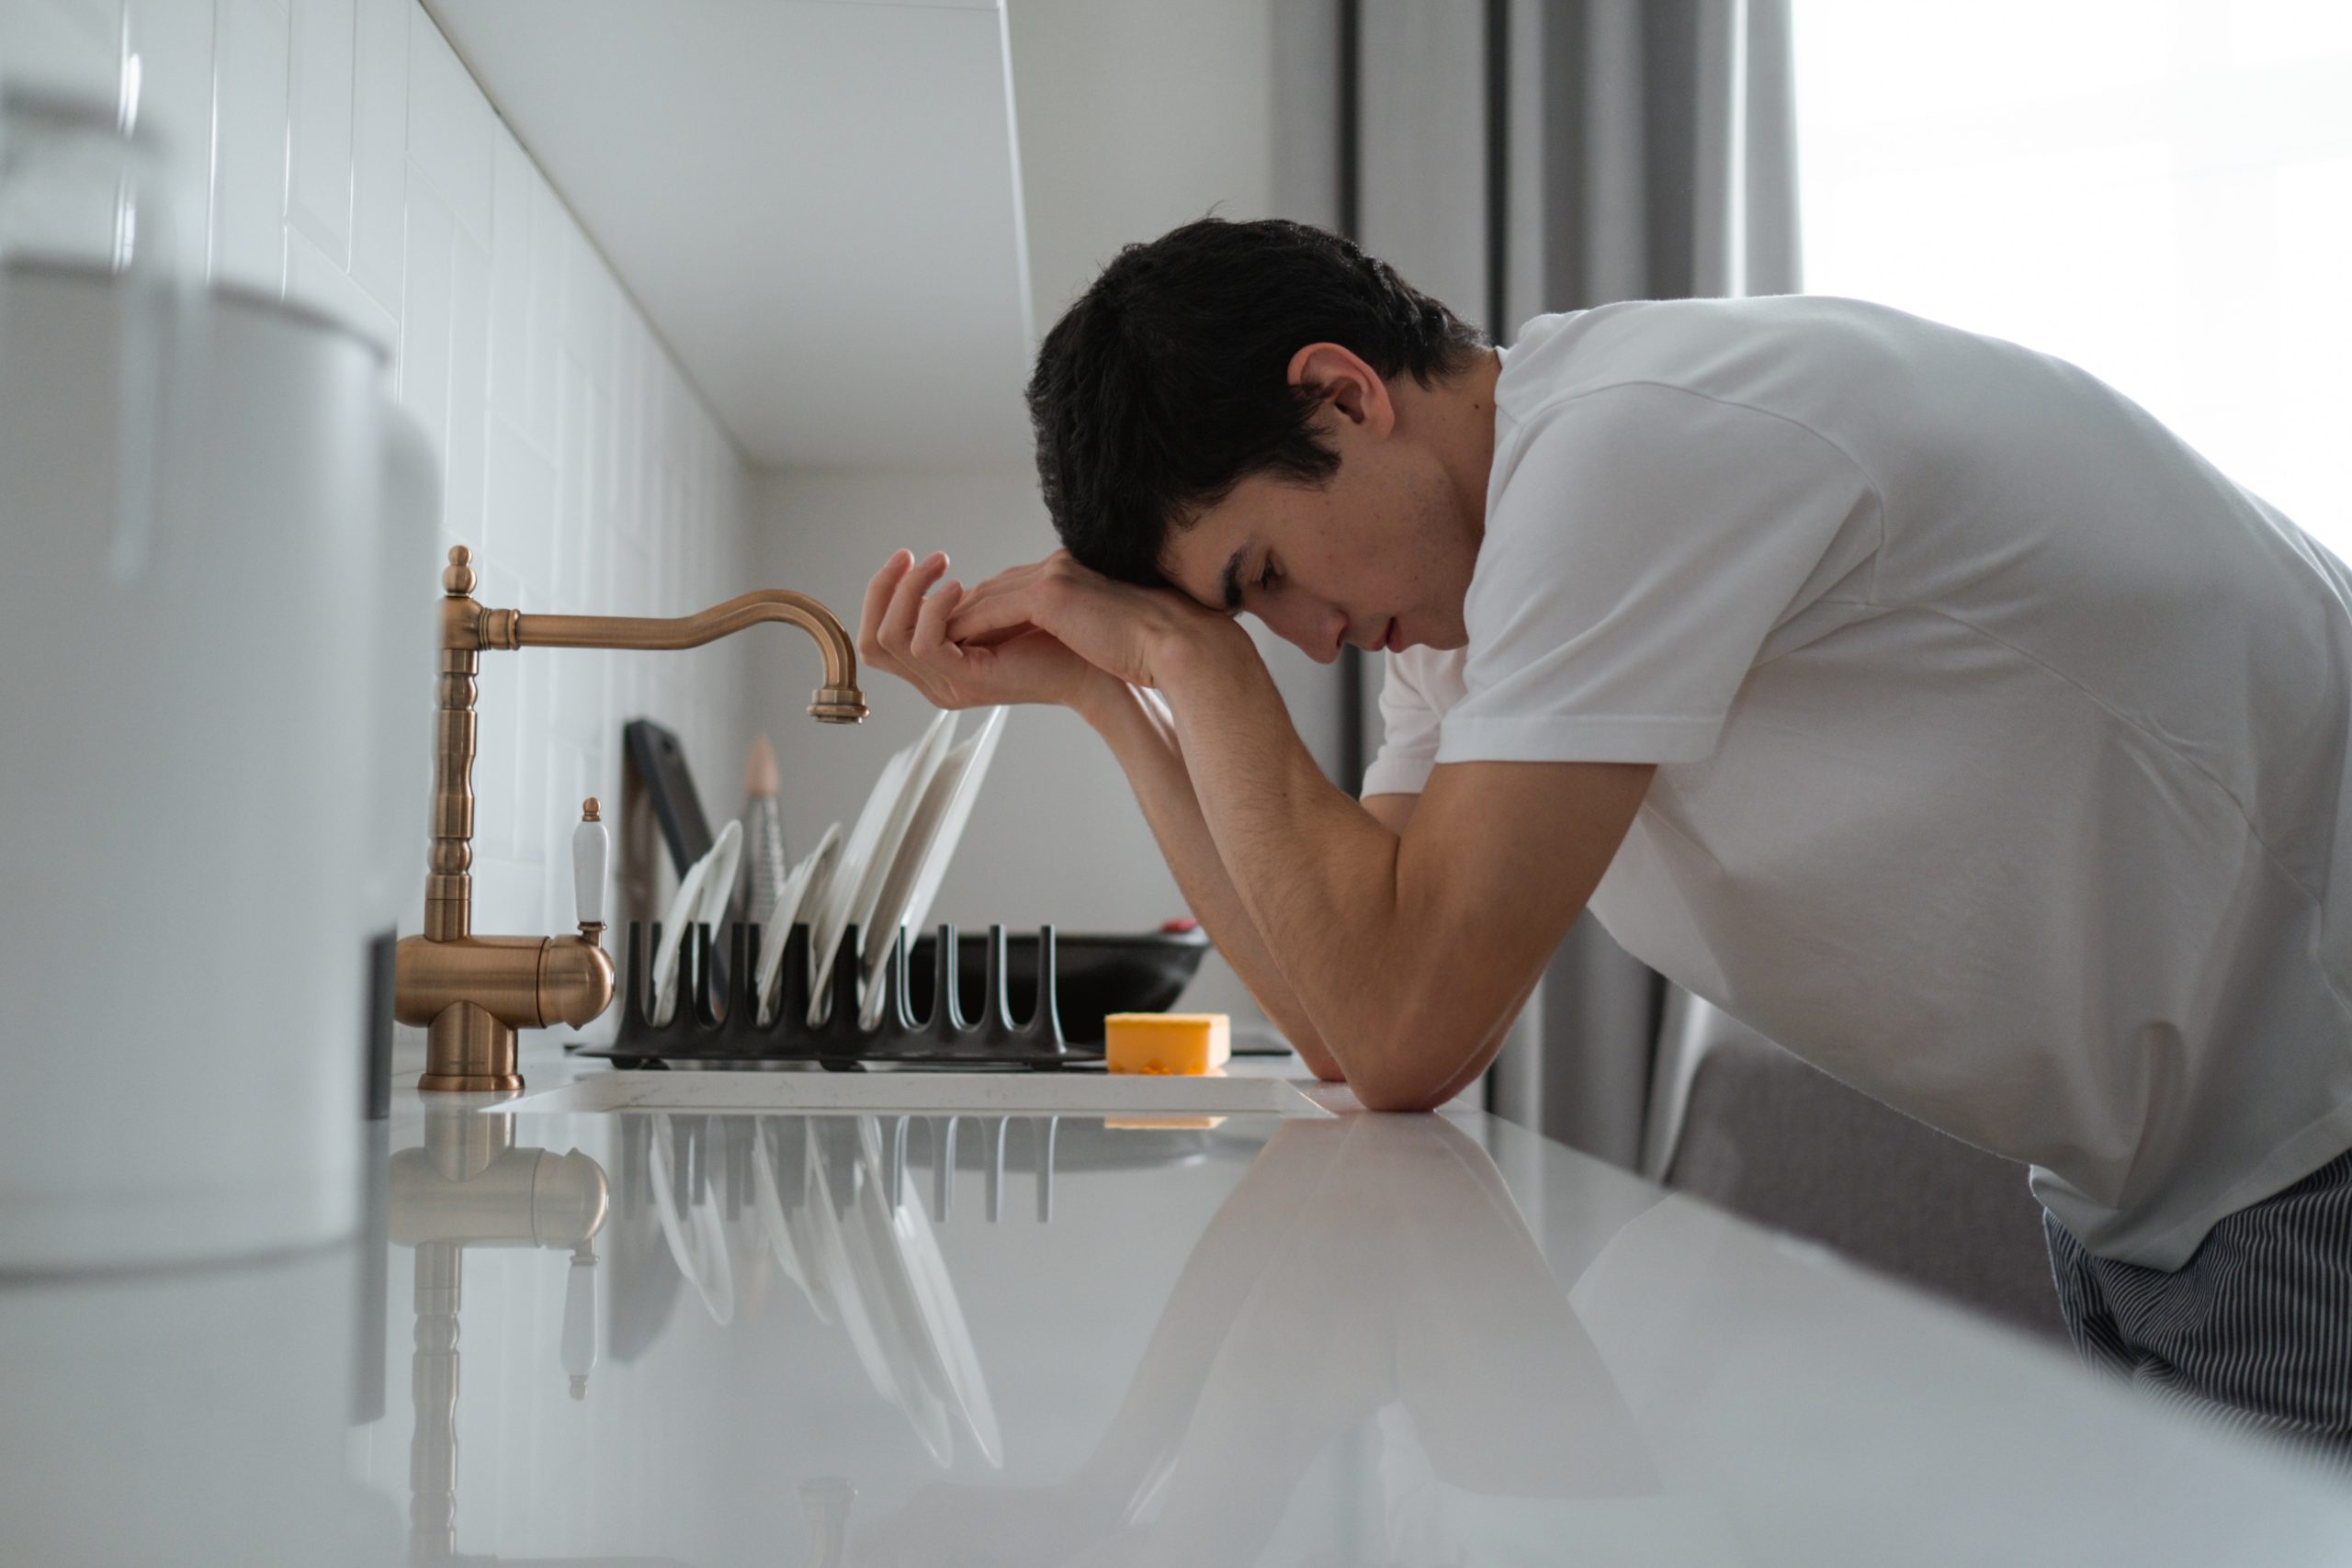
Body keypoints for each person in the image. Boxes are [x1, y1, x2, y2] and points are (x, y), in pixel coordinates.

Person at [856, 216, 2352, 1449]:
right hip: (2165, 1196)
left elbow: (1406, 1029)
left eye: (1264, 576)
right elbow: (1335, 1019)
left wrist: (1191, 659)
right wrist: (1121, 706)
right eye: (1253, 617)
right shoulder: (1470, 611)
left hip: (2313, 1154)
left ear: (1344, 393)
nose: (1311, 645)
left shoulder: (1619, 455)